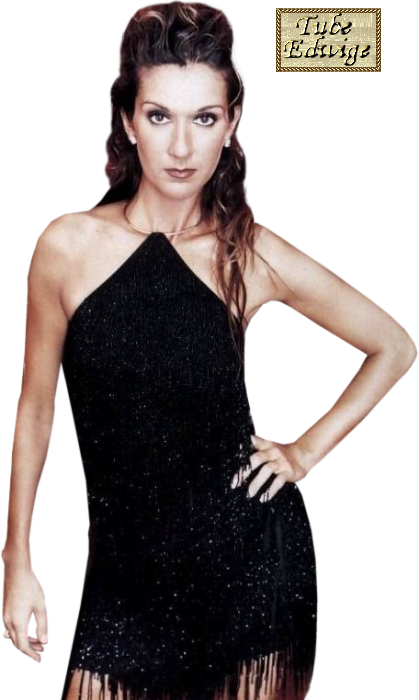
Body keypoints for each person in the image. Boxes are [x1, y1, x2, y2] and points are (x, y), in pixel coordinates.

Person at [1, 2, 417, 699]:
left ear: (230, 126)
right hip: (122, 583)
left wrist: (303, 453)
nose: (181, 147)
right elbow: (36, 411)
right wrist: (17, 558)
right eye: (159, 116)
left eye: (203, 118)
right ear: (128, 122)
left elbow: (393, 346)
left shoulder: (247, 253)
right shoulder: (65, 246)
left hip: (250, 571)